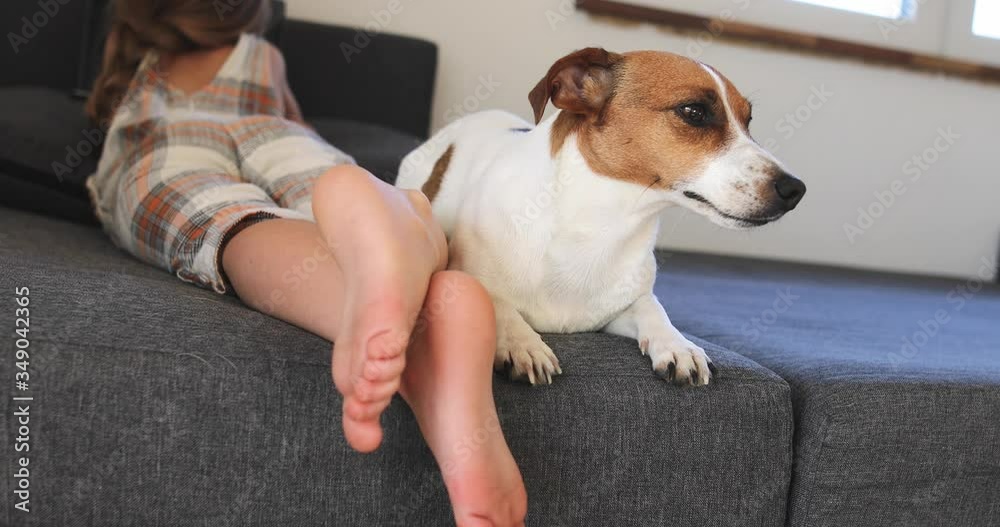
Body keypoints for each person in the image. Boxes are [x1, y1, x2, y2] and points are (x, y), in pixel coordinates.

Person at [85, 1, 526, 524]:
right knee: (319, 198)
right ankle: (403, 235)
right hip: (278, 136)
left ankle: (370, 289)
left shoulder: (143, 71)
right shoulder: (260, 56)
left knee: (236, 226)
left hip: (169, 144)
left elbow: (102, 123)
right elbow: (296, 123)